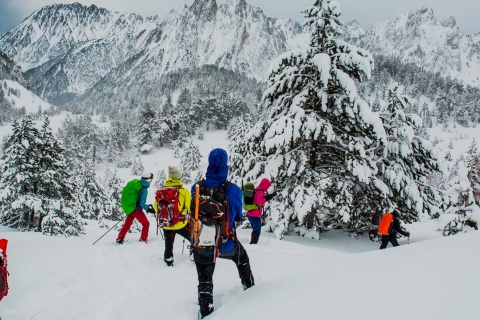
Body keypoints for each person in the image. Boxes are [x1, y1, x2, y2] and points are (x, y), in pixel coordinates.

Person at [191, 148, 255, 319]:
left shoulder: (196, 187)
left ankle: (206, 310)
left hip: (200, 242)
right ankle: (251, 291)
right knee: (242, 259)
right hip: (225, 243)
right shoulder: (232, 189)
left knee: (204, 279)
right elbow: (236, 215)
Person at [154, 166, 192, 267]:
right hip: (181, 223)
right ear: (178, 178)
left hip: (167, 223)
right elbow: (189, 206)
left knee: (169, 242)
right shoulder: (184, 191)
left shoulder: (161, 192)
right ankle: (195, 253)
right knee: (193, 237)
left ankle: (168, 259)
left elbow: (156, 207)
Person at [116, 172, 155, 244]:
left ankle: (120, 238)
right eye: (151, 180)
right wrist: (149, 209)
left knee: (127, 224)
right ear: (148, 180)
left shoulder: (137, 184)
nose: (151, 181)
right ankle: (143, 240)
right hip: (136, 209)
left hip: (130, 208)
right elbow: (142, 204)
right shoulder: (144, 189)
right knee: (146, 224)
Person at [246, 178, 275, 244]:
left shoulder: (257, 191)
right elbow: (258, 202)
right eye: (267, 186)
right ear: (265, 185)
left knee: (255, 229)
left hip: (251, 214)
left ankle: (253, 242)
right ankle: (253, 243)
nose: (267, 188)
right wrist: (266, 198)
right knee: (257, 230)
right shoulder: (259, 192)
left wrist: (266, 197)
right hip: (255, 215)